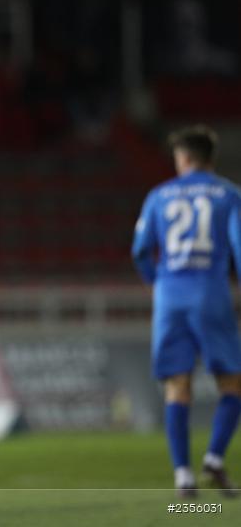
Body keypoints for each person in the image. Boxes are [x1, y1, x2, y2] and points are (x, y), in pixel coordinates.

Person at [132, 124, 241, 498]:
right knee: (232, 383)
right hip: (210, 293)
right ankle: (213, 457)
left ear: (185, 159)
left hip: (170, 296)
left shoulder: (159, 195)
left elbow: (140, 251)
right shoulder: (229, 194)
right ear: (209, 158)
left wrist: (157, 283)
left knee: (177, 386)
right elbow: (240, 250)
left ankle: (183, 475)